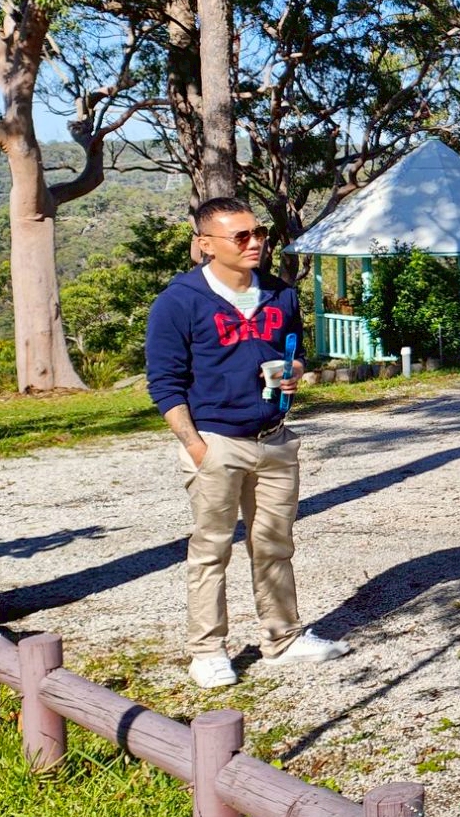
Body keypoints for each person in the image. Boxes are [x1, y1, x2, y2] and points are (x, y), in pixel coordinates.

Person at [145, 196, 350, 688]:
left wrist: (294, 372)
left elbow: (294, 352)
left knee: (274, 544)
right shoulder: (180, 301)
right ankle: (207, 650)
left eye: (259, 234)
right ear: (205, 245)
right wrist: (196, 446)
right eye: (241, 236)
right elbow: (165, 383)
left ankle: (282, 638)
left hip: (275, 440)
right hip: (216, 441)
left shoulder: (280, 295)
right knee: (211, 549)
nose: (255, 242)